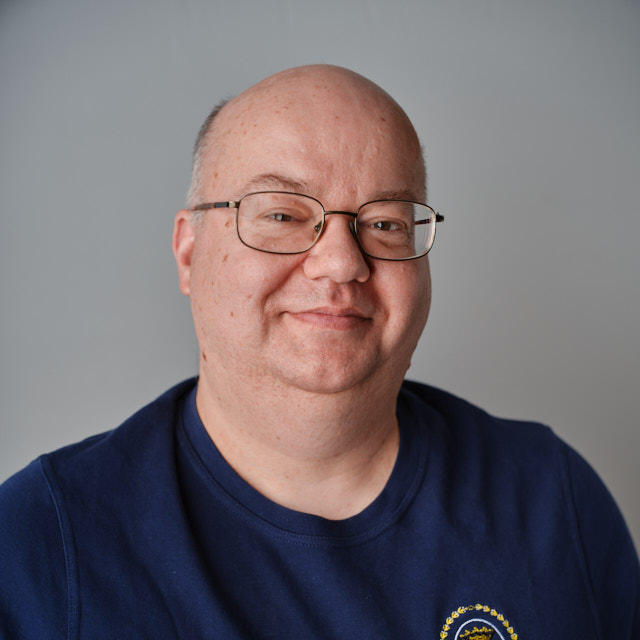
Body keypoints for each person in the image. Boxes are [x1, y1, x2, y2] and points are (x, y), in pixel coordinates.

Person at [0, 65, 638, 639]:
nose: (340, 262)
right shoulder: (40, 543)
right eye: (281, 215)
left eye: (385, 223)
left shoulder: (553, 501)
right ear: (189, 252)